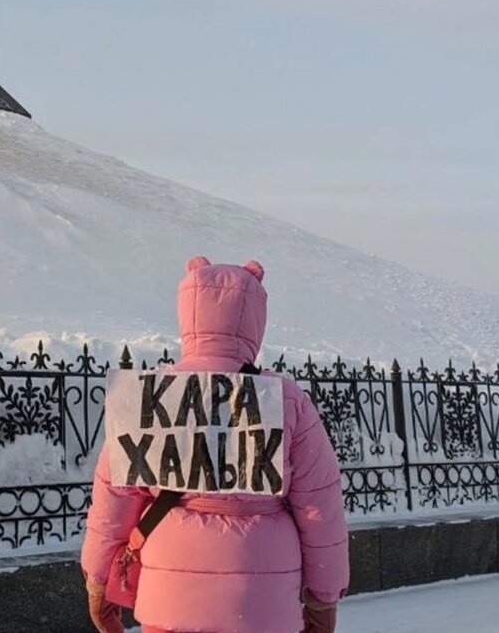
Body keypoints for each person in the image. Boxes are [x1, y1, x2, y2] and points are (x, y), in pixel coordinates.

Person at [81, 257, 349, 633]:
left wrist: (98, 579)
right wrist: (324, 597)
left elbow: (114, 495)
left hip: (169, 596)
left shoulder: (152, 395)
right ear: (256, 319)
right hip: (262, 600)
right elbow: (320, 505)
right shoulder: (284, 400)